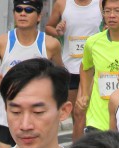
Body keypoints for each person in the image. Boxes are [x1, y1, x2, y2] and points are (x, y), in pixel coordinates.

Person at [0, 0, 63, 148]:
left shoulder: (50, 44)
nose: (23, 14)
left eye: (28, 10)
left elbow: (61, 74)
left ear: (39, 16)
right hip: (8, 113)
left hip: (38, 115)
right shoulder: (1, 42)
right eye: (18, 9)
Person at [45, 0, 102, 140]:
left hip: (92, 68)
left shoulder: (100, 4)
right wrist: (58, 31)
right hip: (70, 68)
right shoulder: (62, 4)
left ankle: (90, 146)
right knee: (76, 115)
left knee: (86, 114)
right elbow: (48, 27)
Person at [76, 0, 119, 133]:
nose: (111, 15)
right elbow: (86, 67)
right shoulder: (92, 42)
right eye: (107, 11)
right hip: (97, 121)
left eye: (117, 11)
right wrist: (84, 94)